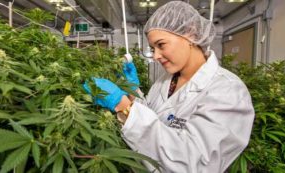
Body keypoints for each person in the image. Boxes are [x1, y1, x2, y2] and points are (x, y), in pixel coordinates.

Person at [83, 1, 255, 172]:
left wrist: (123, 106)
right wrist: (132, 93)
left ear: (191, 34)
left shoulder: (228, 90)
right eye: (152, 48)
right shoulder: (166, 79)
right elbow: (154, 116)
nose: (156, 55)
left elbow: (195, 164)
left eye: (161, 45)